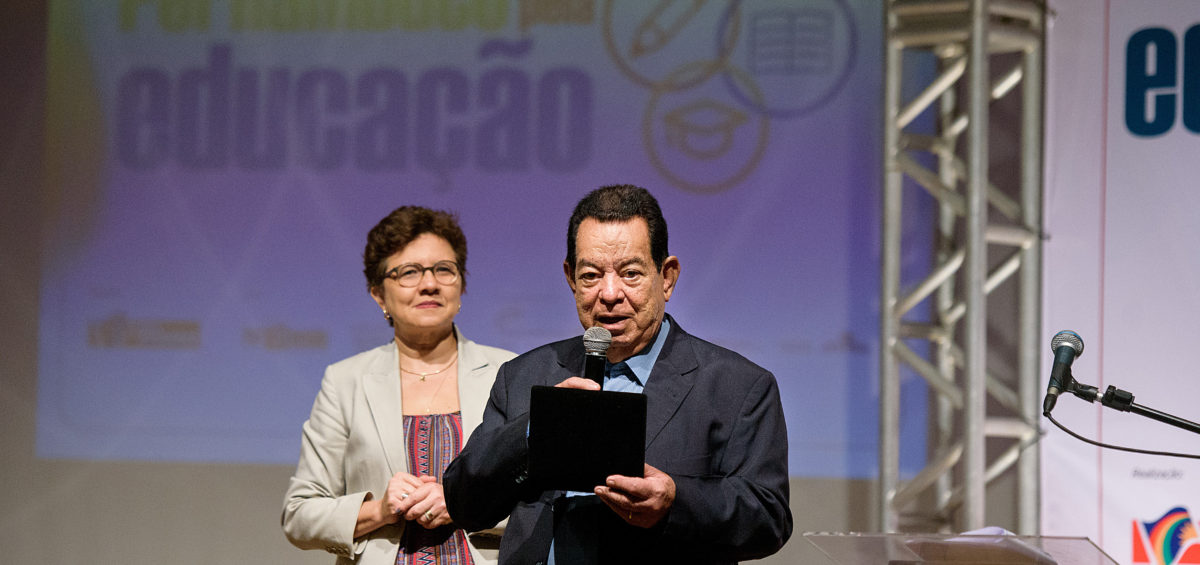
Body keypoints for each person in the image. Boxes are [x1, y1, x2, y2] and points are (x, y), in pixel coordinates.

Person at [443, 184, 792, 564]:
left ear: (668, 277)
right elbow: (464, 503)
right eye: (591, 275)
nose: (609, 294)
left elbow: (769, 517)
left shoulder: (736, 386)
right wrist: (536, 428)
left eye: (630, 273)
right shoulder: (525, 375)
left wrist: (675, 500)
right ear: (571, 279)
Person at [282, 206, 517, 565]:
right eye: (408, 272)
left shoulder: (508, 371)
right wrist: (380, 510)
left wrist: (464, 506)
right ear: (378, 294)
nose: (429, 283)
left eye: (444, 270)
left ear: (462, 284)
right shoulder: (346, 381)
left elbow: (543, 500)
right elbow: (299, 514)